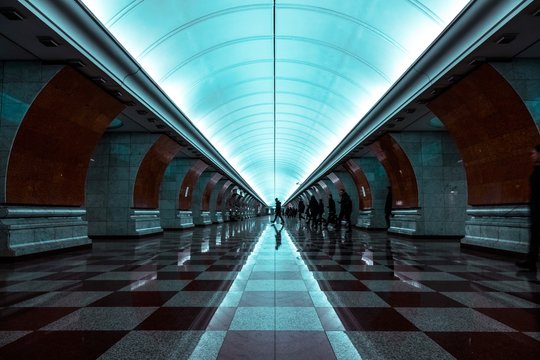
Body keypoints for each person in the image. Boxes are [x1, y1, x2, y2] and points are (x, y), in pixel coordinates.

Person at [517, 144, 540, 272]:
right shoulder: (536, 169)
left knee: (535, 235)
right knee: (534, 235)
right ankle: (531, 261)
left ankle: (531, 260)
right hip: (536, 207)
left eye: (534, 153)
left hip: (538, 207)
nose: (532, 155)